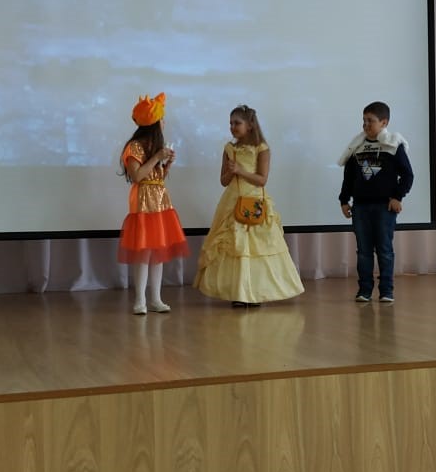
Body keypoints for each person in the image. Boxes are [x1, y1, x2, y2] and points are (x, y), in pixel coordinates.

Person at [193, 105, 304, 307]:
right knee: (236, 246)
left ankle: (256, 293)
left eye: (237, 123)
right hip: (232, 202)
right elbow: (223, 181)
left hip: (254, 202)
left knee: (256, 248)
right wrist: (230, 172)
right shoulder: (229, 148)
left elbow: (262, 179)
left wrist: (240, 171)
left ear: (250, 125)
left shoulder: (262, 148)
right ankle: (238, 293)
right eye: (230, 123)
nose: (232, 127)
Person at [118, 92, 189, 314]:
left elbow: (157, 178)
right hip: (143, 204)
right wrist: (157, 157)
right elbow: (138, 176)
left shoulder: (153, 146)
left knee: (157, 251)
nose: (164, 123)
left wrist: (166, 166)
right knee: (144, 251)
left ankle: (156, 299)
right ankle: (140, 300)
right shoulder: (135, 147)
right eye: (162, 119)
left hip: (160, 202)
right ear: (154, 123)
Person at [338, 101, 414, 304]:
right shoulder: (357, 146)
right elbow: (349, 178)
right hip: (360, 206)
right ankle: (364, 290)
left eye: (370, 121)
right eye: (363, 121)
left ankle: (386, 290)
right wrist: (344, 200)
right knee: (363, 251)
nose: (365, 125)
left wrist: (397, 197)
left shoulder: (394, 145)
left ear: (384, 122)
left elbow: (407, 175)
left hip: (384, 207)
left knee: (384, 250)